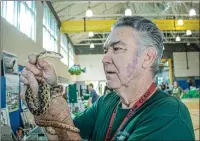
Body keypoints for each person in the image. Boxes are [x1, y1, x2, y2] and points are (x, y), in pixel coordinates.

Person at [20, 16, 195, 140]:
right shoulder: (106, 102)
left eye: (117, 49)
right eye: (106, 50)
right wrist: (44, 96)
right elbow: (61, 134)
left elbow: (65, 129)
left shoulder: (170, 115)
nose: (105, 58)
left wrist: (62, 116)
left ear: (147, 57)